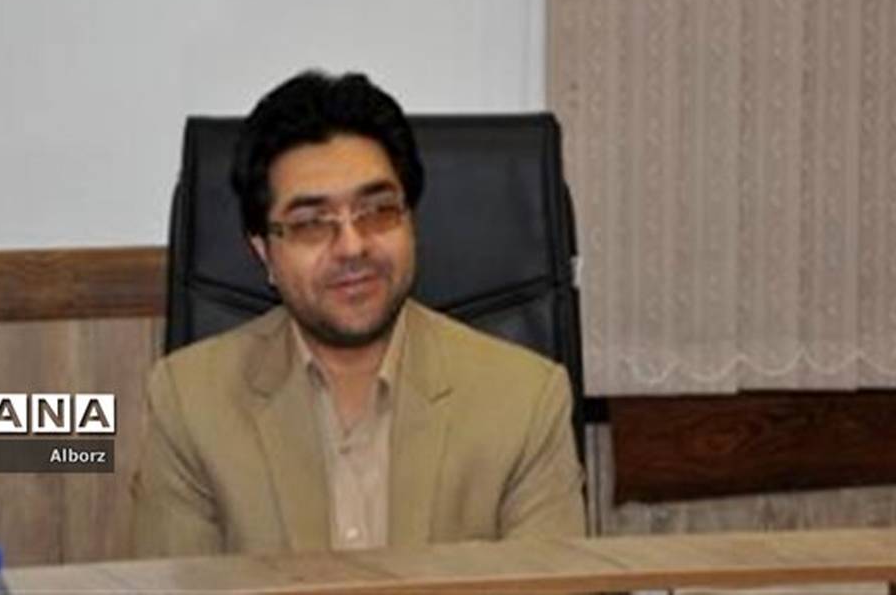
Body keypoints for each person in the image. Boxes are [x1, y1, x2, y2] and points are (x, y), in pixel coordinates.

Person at [132, 71, 585, 556]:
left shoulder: (526, 403)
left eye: (378, 211)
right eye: (311, 223)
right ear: (264, 252)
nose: (352, 246)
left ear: (410, 222)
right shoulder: (190, 405)